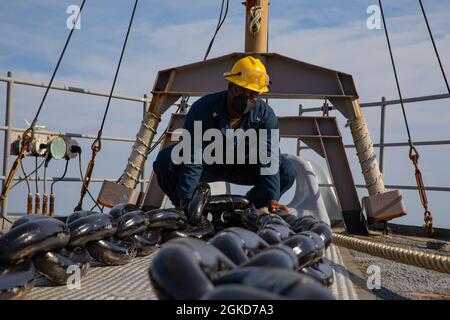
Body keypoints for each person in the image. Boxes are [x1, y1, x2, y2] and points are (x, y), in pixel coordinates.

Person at [153, 56, 295, 213]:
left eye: (253, 95)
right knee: (166, 161)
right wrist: (186, 199)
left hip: (243, 165)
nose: (246, 98)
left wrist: (272, 198)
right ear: (230, 86)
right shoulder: (203, 108)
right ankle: (185, 206)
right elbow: (193, 155)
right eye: (242, 91)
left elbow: (270, 158)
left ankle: (249, 209)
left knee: (286, 170)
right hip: (207, 164)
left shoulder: (266, 116)